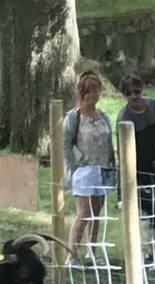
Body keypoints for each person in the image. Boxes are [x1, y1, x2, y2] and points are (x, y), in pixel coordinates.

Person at [63, 70, 116, 266]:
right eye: (92, 90)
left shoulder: (103, 116)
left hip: (102, 170)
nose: (96, 94)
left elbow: (109, 141)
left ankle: (91, 251)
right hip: (83, 172)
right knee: (83, 213)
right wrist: (75, 166)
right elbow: (66, 144)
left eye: (97, 90)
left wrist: (112, 165)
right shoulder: (74, 117)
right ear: (83, 93)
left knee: (96, 211)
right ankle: (71, 255)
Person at [115, 73, 155, 210]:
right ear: (123, 95)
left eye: (137, 91)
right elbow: (122, 155)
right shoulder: (124, 118)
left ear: (142, 89)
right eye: (128, 93)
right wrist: (123, 189)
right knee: (136, 212)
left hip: (154, 168)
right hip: (135, 171)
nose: (133, 96)